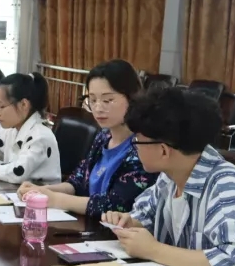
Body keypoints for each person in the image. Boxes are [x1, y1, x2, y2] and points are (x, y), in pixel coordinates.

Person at [103, 86, 235, 266]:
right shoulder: (171, 175)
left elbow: (234, 261)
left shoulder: (226, 186)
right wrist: (128, 222)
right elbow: (145, 214)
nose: (135, 148)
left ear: (164, 150)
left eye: (137, 141)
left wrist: (154, 250)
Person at [18, 59, 154, 221]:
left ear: (132, 98)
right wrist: (43, 190)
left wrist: (55, 199)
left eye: (107, 100)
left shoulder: (143, 145)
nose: (98, 108)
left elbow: (115, 205)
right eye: (93, 100)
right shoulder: (103, 136)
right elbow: (77, 182)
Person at [0, 72, 61, 184]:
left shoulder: (41, 136)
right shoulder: (12, 129)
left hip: (40, 193)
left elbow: (17, 172)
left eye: (1, 106)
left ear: (23, 105)